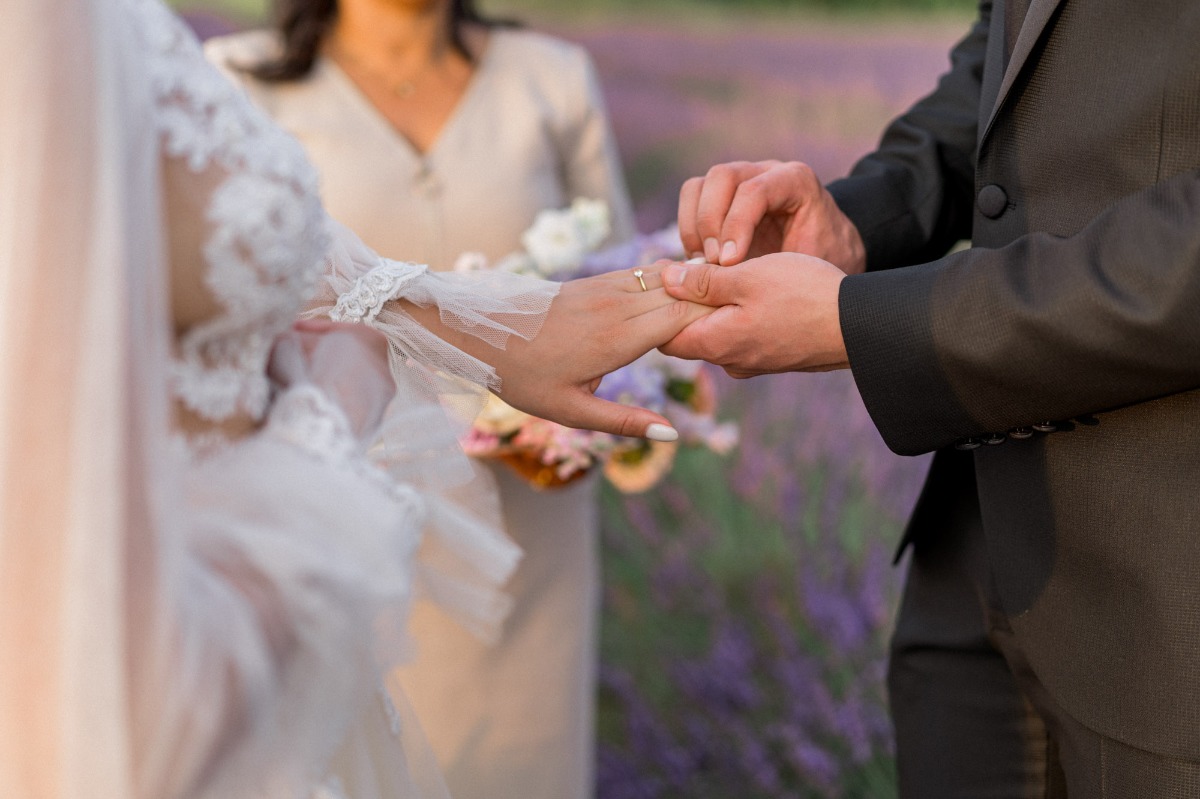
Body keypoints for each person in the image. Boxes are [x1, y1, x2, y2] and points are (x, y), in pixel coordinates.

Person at [0, 0, 699, 796]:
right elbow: (122, 720)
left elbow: (288, 255)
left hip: (497, 550)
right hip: (273, 600)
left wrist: (507, 333)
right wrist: (339, 402)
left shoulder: (548, 74)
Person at [663, 0, 1200, 796]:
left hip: (1167, 608)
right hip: (971, 563)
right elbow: (1007, 58)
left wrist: (868, 326)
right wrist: (861, 217)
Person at [204, 4, 635, 796]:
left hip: (532, 538)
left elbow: (615, 288)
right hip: (343, 534)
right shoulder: (231, 85)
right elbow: (214, 339)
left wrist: (626, 398)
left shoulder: (551, 77)